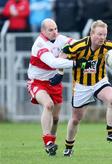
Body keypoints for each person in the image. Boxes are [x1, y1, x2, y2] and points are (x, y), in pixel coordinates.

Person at [61, 20, 112, 157]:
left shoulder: (107, 46)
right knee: (76, 119)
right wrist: (61, 72)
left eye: (104, 34)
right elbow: (61, 57)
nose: (102, 37)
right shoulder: (78, 46)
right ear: (91, 33)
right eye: (99, 34)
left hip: (99, 81)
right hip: (81, 86)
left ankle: (111, 133)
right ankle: (68, 147)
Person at [27, 18, 86, 156]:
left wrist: (93, 44)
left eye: (56, 29)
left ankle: (50, 146)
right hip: (37, 82)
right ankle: (48, 142)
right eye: (51, 30)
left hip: (54, 83)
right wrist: (77, 63)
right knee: (48, 105)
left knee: (56, 118)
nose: (55, 32)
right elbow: (53, 62)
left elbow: (75, 44)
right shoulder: (39, 44)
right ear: (43, 31)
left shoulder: (59, 38)